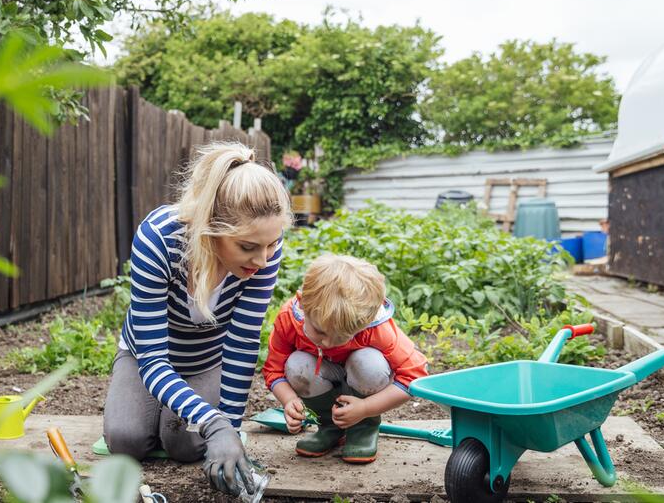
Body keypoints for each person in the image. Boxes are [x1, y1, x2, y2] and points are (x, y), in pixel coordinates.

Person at [103, 141, 292, 495]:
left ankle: (176, 415)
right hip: (147, 356)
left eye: (271, 245)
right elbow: (155, 361)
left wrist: (230, 430)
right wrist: (212, 422)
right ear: (211, 228)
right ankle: (153, 409)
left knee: (186, 445)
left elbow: (241, 345)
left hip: (206, 359)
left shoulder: (264, 248)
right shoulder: (158, 239)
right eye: (248, 247)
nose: (263, 260)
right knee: (125, 440)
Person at [262, 254, 428, 463]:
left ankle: (363, 428)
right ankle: (330, 427)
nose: (329, 343)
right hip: (323, 377)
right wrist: (289, 400)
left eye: (343, 336)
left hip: (361, 382)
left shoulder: (376, 327)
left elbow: (414, 376)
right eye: (321, 332)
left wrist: (365, 409)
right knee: (296, 365)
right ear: (303, 303)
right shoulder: (289, 319)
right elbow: (274, 370)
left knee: (369, 363)